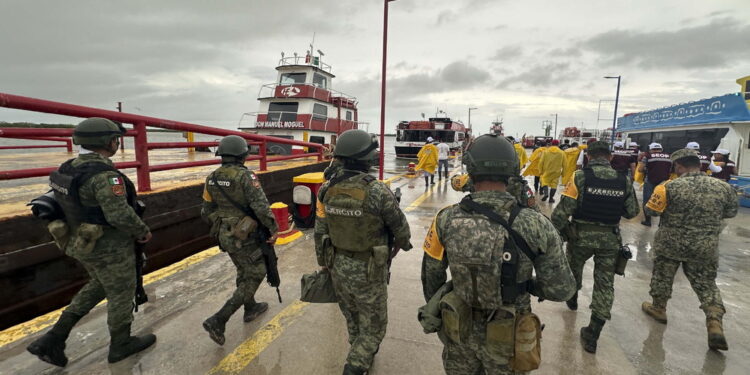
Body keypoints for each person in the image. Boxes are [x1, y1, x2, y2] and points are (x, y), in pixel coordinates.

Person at [421, 134, 575, 374]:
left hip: (460, 328)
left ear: (470, 168)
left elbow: (431, 277)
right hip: (510, 333)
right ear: (513, 169)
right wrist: (528, 286)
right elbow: (561, 289)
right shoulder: (536, 224)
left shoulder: (445, 219)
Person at [27, 118, 154, 367]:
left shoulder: (66, 168)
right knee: (120, 292)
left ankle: (53, 337)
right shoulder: (105, 176)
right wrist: (142, 232)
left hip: (80, 242)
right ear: (107, 142)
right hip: (109, 248)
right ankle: (121, 344)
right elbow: (118, 214)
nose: (117, 143)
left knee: (98, 285)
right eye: (116, 139)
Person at [314, 129, 411, 375]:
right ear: (368, 159)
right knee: (376, 325)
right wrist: (393, 251)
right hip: (369, 269)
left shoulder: (326, 189)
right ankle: (355, 365)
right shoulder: (377, 191)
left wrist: (323, 263)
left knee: (352, 316)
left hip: (337, 264)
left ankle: (360, 352)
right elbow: (402, 231)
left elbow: (320, 230)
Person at [642, 149, 738, 351]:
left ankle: (659, 308)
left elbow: (651, 210)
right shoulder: (723, 187)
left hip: (671, 243)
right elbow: (730, 212)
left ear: (678, 166)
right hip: (705, 246)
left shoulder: (668, 186)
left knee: (663, 276)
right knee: (706, 284)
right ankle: (714, 321)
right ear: (699, 165)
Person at [551, 141, 640, 353]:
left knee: (573, 270)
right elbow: (631, 211)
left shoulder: (580, 177)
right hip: (609, 241)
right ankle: (593, 333)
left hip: (579, 237)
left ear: (589, 157)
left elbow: (564, 210)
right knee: (604, 284)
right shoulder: (623, 180)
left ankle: (572, 297)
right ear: (609, 158)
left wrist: (555, 233)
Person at [201, 135, 279, 346]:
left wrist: (226, 223)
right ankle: (219, 319)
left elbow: (206, 211)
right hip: (247, 236)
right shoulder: (247, 177)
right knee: (256, 272)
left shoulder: (212, 178)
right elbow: (261, 207)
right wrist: (273, 229)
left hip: (226, 236)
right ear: (243, 154)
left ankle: (250, 306)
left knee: (243, 270)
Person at [638, 143, 671, 227]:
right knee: (664, 201)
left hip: (650, 181)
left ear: (651, 149)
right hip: (664, 182)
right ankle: (661, 223)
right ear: (661, 149)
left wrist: (648, 169)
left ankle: (648, 221)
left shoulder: (647, 156)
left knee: (647, 200)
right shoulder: (669, 156)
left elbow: (640, 169)